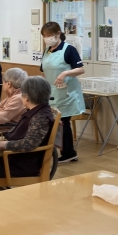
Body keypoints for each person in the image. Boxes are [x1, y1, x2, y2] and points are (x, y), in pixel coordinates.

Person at [0, 76, 56, 180]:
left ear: (26, 97)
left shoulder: (40, 117)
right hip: (14, 159)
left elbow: (28, 144)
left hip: (18, 165)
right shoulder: (35, 111)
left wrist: (4, 145)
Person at [40, 22, 85, 163]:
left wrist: (65, 73)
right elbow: (44, 71)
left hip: (66, 93)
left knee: (63, 121)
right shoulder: (47, 51)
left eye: (49, 35)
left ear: (58, 34)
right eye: (44, 35)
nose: (47, 38)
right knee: (53, 122)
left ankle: (69, 153)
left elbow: (81, 69)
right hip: (51, 92)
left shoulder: (68, 49)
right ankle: (54, 151)